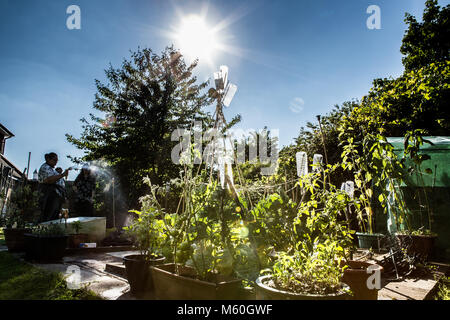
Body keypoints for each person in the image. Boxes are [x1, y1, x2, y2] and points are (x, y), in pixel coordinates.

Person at [38, 153, 70, 222]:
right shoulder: (45, 167)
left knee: (54, 215)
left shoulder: (52, 169)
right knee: (48, 214)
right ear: (48, 159)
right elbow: (49, 180)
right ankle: (45, 230)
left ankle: (51, 229)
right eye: (54, 160)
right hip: (49, 193)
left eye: (57, 160)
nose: (56, 162)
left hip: (55, 194)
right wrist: (62, 174)